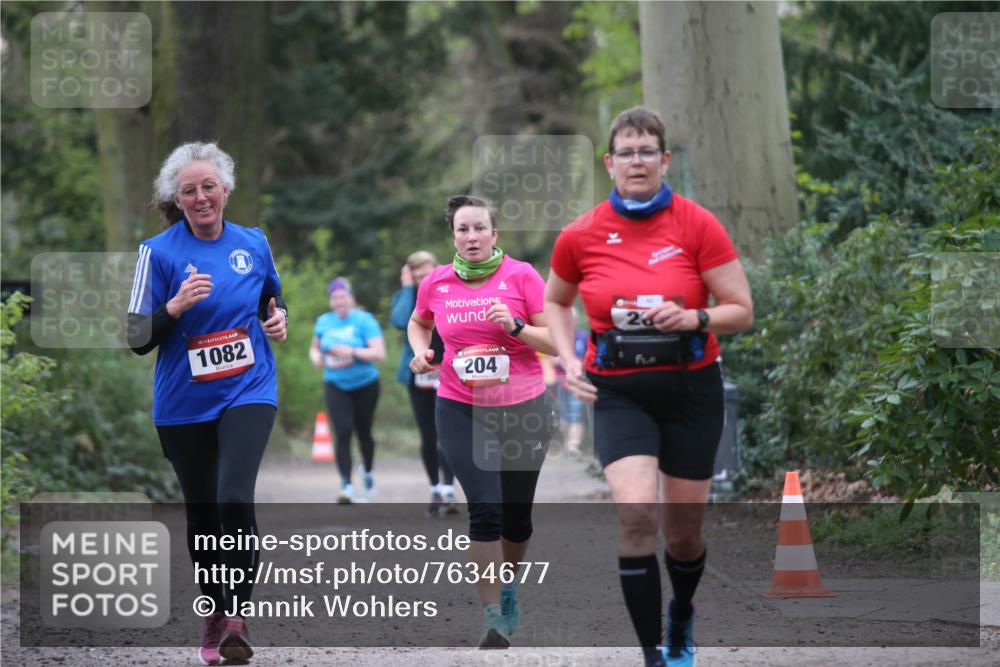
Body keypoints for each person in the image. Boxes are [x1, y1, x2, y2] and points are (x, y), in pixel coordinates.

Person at [544, 107, 753, 667]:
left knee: (683, 535)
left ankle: (680, 614)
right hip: (619, 393)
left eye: (647, 151)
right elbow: (556, 302)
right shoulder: (580, 234)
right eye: (626, 152)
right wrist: (568, 359)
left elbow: (740, 310)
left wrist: (693, 319)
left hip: (691, 392)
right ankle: (652, 654)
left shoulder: (696, 224)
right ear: (609, 163)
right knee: (636, 513)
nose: (637, 162)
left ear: (664, 160)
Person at [127, 141, 287, 666]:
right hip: (182, 403)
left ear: (226, 191)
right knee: (202, 513)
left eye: (209, 187)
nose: (201, 198)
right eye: (189, 190)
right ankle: (215, 608)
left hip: (249, 388)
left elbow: (271, 297)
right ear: (176, 197)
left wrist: (277, 317)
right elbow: (135, 336)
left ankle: (237, 618)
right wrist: (173, 306)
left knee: (233, 495)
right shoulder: (159, 252)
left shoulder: (254, 242)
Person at [407, 195, 558, 649]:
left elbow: (552, 341)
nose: (471, 237)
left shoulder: (523, 275)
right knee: (485, 508)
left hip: (524, 409)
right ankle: (492, 614)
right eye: (462, 230)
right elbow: (419, 323)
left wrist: (515, 327)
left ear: (495, 234)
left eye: (479, 229)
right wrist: (421, 352)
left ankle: (509, 586)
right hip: (460, 406)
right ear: (452, 236)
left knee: (517, 520)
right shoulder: (436, 282)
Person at [389, 250, 459, 516]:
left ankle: (448, 488)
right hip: (419, 374)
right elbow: (399, 321)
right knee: (428, 435)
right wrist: (409, 289)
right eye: (417, 276)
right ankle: (434, 487)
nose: (422, 279)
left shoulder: (451, 290)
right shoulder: (407, 295)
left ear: (436, 268)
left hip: (449, 371)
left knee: (448, 432)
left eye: (426, 274)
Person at [310, 277, 385, 503]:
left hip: (365, 384)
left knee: (364, 434)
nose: (339, 301)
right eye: (334, 298)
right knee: (342, 432)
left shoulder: (365, 320)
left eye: (343, 297)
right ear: (331, 301)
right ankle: (347, 486)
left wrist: (351, 351)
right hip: (335, 383)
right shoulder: (324, 321)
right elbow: (314, 349)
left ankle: (368, 473)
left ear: (351, 298)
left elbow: (379, 354)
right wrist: (316, 359)